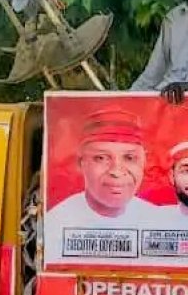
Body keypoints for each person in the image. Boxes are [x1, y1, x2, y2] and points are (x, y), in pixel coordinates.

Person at [43, 108, 158, 260]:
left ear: (145, 162)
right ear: (80, 163)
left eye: (130, 158)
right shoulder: (57, 223)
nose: (116, 171)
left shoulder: (158, 219)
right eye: (101, 158)